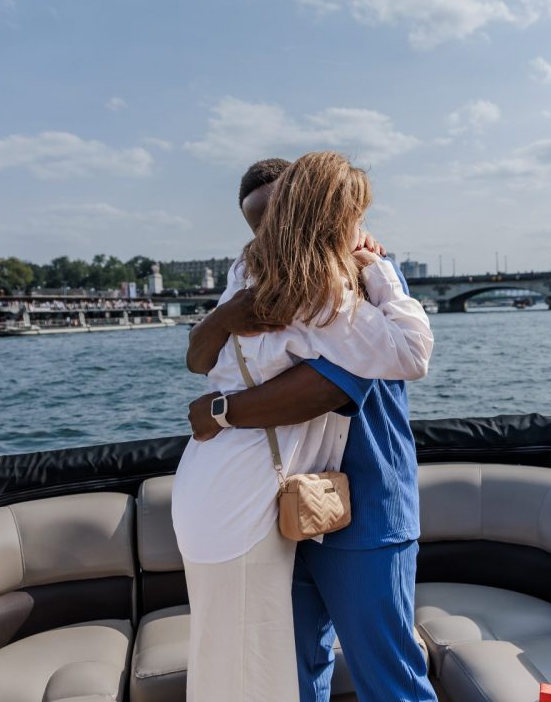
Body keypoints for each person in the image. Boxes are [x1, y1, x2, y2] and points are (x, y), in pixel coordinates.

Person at [173, 151, 434, 702]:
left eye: (277, 217)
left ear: (303, 207)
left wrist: (221, 411)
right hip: (284, 501)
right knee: (297, 673)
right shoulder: (259, 276)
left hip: (366, 502)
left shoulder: (360, 272)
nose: (269, 234)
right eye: (257, 225)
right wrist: (223, 318)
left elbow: (330, 385)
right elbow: (202, 356)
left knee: (388, 677)